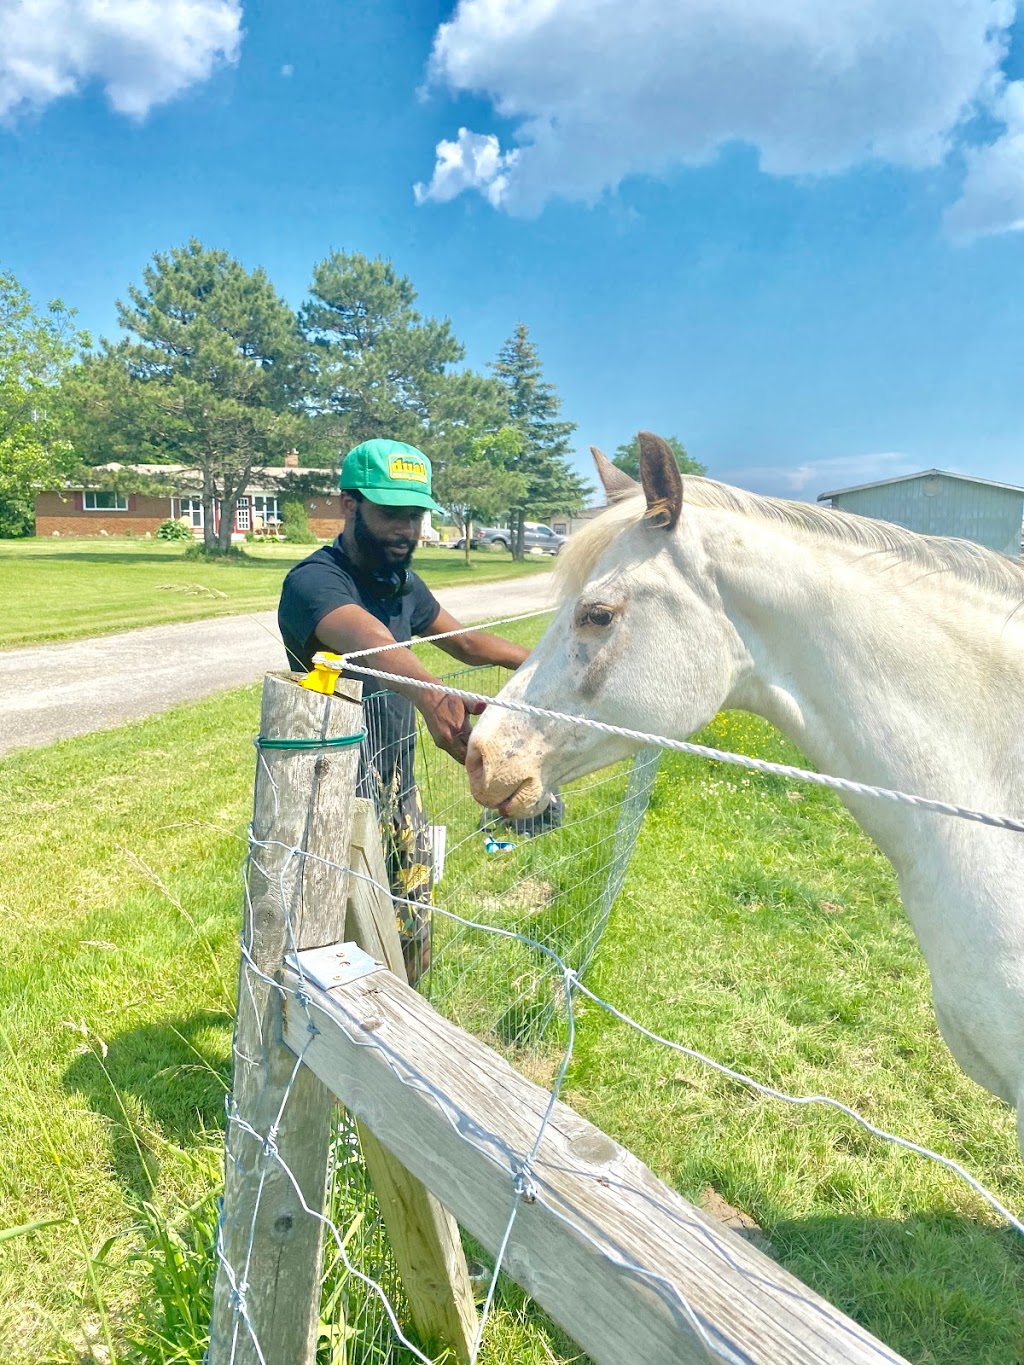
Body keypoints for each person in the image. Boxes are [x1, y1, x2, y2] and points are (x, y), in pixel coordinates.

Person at [278, 438, 530, 983]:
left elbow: (463, 642)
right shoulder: (315, 581)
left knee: (414, 921)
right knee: (334, 933)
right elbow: (365, 639)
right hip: (329, 795)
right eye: (392, 513)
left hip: (397, 785)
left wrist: (537, 664)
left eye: (415, 514)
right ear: (349, 505)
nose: (407, 530)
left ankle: (413, 1013)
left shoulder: (401, 583)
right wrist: (433, 694)